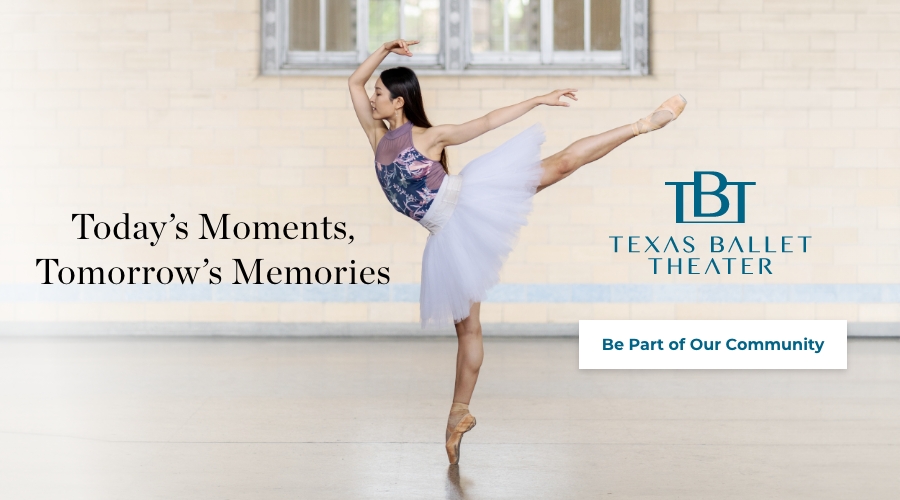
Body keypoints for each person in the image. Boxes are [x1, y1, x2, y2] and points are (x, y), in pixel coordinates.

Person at [348, 39, 686, 464]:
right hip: (446, 235)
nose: (372, 97)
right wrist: (384, 49)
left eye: (379, 92)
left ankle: (642, 125)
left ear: (398, 101)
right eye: (375, 92)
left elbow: (488, 121)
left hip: (470, 202)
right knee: (467, 331)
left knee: (560, 164)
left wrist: (539, 100)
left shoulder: (430, 137)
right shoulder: (376, 135)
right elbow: (354, 81)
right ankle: (458, 415)